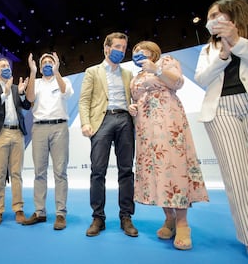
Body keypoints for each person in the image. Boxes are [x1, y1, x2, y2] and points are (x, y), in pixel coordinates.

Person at [129, 41, 209, 250]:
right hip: (146, 131)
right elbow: (137, 98)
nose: (137, 54)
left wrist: (156, 69)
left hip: (168, 125)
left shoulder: (166, 61)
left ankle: (183, 224)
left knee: (174, 171)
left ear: (153, 52)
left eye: (141, 50)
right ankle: (169, 218)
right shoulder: (135, 77)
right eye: (134, 52)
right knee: (158, 174)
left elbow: (178, 83)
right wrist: (133, 107)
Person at [194, 0, 248, 254]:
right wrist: (223, 55)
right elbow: (202, 78)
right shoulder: (208, 50)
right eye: (208, 18)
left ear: (233, 15)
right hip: (221, 111)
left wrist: (237, 43)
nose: (211, 22)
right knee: (238, 178)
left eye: (216, 16)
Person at [78, 32, 138, 237]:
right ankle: (98, 218)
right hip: (101, 121)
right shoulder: (92, 72)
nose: (121, 51)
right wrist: (85, 122)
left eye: (123, 47)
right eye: (117, 47)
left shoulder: (128, 74)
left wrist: (134, 107)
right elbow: (84, 100)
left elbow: (135, 98)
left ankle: (126, 217)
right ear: (106, 48)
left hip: (125, 121)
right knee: (98, 171)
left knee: (126, 170)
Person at [22, 52, 74, 230]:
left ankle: (60, 214)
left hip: (60, 127)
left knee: (60, 172)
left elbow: (66, 93)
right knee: (39, 172)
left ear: (56, 63)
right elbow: (29, 99)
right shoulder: (35, 82)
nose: (47, 64)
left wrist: (57, 71)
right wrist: (32, 72)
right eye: (44, 61)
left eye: (50, 61)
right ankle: (40, 212)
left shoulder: (64, 80)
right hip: (39, 128)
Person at [0, 58, 31, 226]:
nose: (6, 68)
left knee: (17, 173)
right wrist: (5, 93)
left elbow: (27, 106)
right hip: (0, 134)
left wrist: (23, 93)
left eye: (7, 66)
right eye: (2, 66)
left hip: (17, 133)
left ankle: (18, 209)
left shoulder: (17, 88)